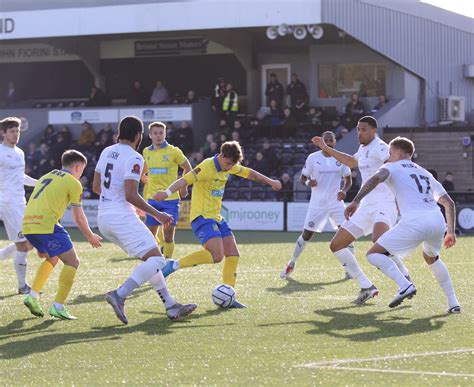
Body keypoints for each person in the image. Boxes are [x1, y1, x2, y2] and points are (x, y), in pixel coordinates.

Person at [93, 116, 196, 324]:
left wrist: (129, 206)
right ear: (139, 135)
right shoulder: (135, 157)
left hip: (104, 217)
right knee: (157, 259)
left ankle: (170, 305)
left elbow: (96, 187)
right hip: (120, 217)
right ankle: (120, 294)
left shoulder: (106, 151)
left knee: (150, 260)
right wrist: (157, 214)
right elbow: (131, 194)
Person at [154, 141, 282, 308]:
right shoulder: (207, 166)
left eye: (233, 165)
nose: (230, 168)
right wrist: (167, 192)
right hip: (201, 217)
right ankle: (174, 264)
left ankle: (229, 295)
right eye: (228, 164)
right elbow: (184, 180)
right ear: (222, 156)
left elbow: (250, 174)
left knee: (233, 254)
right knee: (216, 256)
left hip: (216, 217)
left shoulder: (228, 165)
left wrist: (271, 181)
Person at [345, 137, 461, 313]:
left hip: (414, 221)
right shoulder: (425, 172)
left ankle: (404, 285)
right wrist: (450, 232)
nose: (388, 157)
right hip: (437, 221)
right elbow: (449, 203)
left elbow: (375, 179)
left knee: (373, 254)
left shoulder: (391, 166)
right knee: (432, 258)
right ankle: (453, 303)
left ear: (398, 152)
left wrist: (355, 201)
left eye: (390, 153)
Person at [312, 116, 410, 305]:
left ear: (374, 131)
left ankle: (405, 279)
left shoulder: (382, 147)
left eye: (363, 129)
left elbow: (395, 168)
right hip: (366, 206)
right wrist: (326, 148)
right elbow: (351, 162)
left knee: (379, 243)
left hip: (384, 203)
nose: (359, 133)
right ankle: (366, 286)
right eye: (358, 129)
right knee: (336, 245)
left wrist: (402, 198)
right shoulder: (363, 148)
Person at [22, 150, 102, 320]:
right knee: (73, 261)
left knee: (52, 258)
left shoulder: (46, 176)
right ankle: (58, 306)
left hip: (28, 224)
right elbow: (78, 217)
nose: (81, 174)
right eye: (82, 170)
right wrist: (90, 236)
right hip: (47, 225)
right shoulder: (72, 182)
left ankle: (32, 296)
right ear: (78, 167)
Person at [280, 131, 352, 279]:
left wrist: (344, 191)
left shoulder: (341, 158)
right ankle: (291, 264)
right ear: (321, 142)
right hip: (317, 204)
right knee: (306, 234)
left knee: (346, 234)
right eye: (325, 141)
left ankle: (350, 268)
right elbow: (302, 178)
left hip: (336, 203)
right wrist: (308, 182)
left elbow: (348, 180)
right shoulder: (313, 158)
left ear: (335, 141)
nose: (328, 143)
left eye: (331, 140)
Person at [142, 121, 192, 258]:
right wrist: (142, 176)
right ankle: (154, 263)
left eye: (161, 133)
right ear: (150, 135)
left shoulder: (174, 151)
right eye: (155, 133)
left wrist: (183, 187)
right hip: (152, 200)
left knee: (168, 235)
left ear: (165, 134)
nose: (158, 136)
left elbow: (188, 168)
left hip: (170, 200)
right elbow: (144, 168)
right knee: (150, 236)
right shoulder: (146, 151)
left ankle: (167, 264)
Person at [0, 117, 38, 293]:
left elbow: (20, 177)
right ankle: (23, 286)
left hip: (21, 202)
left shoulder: (20, 153)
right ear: (3, 133)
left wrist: (40, 183)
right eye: (12, 131)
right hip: (8, 204)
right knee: (23, 245)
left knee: (29, 243)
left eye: (18, 131)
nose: (16, 135)